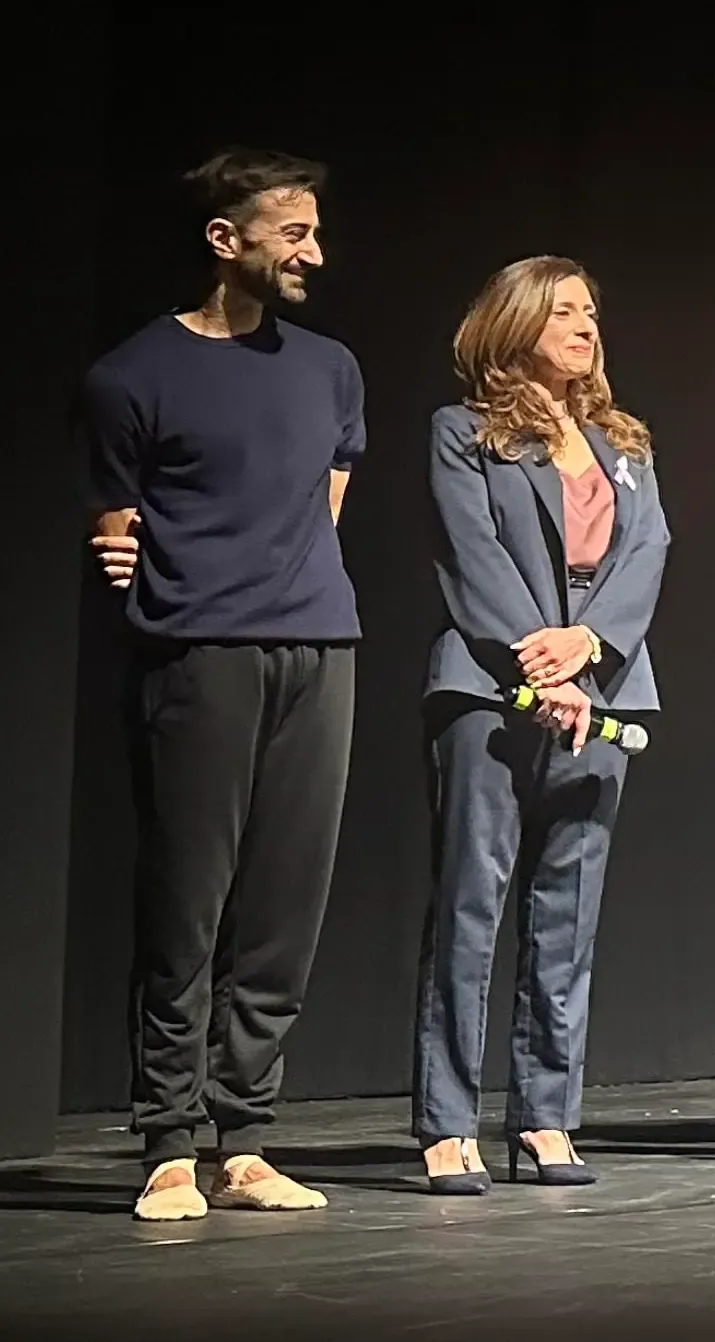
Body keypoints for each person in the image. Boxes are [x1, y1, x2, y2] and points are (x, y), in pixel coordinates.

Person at [82, 148, 362, 1221]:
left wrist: (290, 588)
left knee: (283, 902)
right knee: (186, 901)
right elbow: (115, 526)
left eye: (314, 231)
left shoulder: (331, 368)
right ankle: (167, 1139)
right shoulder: (132, 376)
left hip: (316, 649)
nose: (314, 253)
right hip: (197, 651)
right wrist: (152, 564)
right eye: (294, 233)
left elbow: (322, 505)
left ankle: (245, 1136)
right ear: (225, 239)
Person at [414, 257, 670, 1194]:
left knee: (568, 914)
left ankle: (545, 1116)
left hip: (603, 693)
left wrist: (588, 647)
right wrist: (538, 651)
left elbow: (650, 550)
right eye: (564, 311)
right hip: (493, 689)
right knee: (470, 908)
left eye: (591, 312)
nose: (585, 325)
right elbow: (469, 549)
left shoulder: (623, 443)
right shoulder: (464, 432)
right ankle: (448, 1123)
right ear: (515, 323)